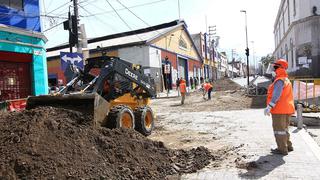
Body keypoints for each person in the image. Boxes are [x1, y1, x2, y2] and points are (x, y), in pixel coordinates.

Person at [264, 59, 295, 155]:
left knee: (279, 129)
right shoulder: (285, 79)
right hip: (286, 109)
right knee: (284, 129)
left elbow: (276, 95)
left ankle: (282, 149)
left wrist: (270, 106)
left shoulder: (279, 80)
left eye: (275, 66)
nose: (273, 68)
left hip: (279, 109)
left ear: (280, 67)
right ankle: (288, 146)